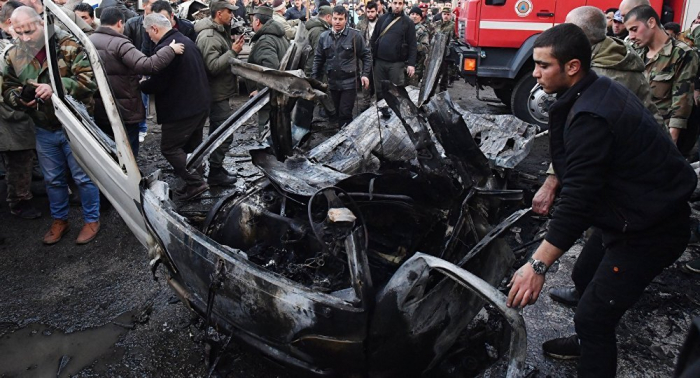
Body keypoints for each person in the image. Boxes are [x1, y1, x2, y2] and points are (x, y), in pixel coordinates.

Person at [506, 23, 696, 378]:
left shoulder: (592, 114)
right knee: (583, 271)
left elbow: (578, 199)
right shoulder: (596, 88)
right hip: (630, 211)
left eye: (544, 65)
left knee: (592, 317)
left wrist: (537, 266)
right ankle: (586, 340)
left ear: (573, 67)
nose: (535, 73)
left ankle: (591, 340)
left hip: (651, 229)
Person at [3, 6, 100, 244]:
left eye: (29, 31)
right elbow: (7, 87)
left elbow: (89, 81)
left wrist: (55, 88)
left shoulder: (67, 45)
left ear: (40, 23)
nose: (25, 37)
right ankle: (60, 219)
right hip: (43, 127)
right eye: (19, 32)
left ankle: (91, 219)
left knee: (84, 177)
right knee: (52, 179)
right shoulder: (13, 54)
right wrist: (19, 97)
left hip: (75, 125)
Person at [90, 7, 184, 158]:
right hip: (125, 109)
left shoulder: (89, 40)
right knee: (128, 153)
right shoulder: (120, 43)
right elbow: (148, 65)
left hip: (100, 108)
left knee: (108, 150)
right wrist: (170, 50)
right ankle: (131, 180)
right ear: (120, 23)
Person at [140, 13, 211, 200]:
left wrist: (141, 85)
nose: (149, 36)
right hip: (199, 103)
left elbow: (159, 83)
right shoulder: (185, 40)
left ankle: (196, 182)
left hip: (182, 109)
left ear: (154, 28)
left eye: (148, 32)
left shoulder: (167, 48)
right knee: (192, 147)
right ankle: (194, 181)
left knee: (170, 148)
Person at [624, 5, 698, 150]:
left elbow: (681, 102)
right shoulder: (634, 52)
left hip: (661, 132)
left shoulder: (682, 54)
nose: (631, 36)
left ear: (651, 23)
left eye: (634, 29)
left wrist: (671, 140)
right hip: (634, 128)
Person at [195, 0, 245, 187]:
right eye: (228, 12)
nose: (231, 15)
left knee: (219, 131)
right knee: (224, 133)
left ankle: (217, 167)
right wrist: (233, 51)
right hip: (215, 94)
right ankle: (215, 171)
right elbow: (213, 67)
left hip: (219, 92)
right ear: (218, 14)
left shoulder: (219, 31)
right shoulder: (209, 36)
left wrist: (232, 50)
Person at [0, 24, 40, 219]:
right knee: (18, 161)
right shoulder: (9, 52)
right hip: (11, 118)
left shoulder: (8, 48)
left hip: (16, 115)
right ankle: (19, 201)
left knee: (21, 160)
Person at [312, 5, 371, 127]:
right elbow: (318, 59)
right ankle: (338, 137)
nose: (337, 22)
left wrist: (365, 75)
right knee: (334, 114)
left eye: (340, 19)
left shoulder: (355, 36)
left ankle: (346, 140)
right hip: (332, 83)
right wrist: (314, 79)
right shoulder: (324, 37)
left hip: (349, 82)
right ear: (331, 18)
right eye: (335, 18)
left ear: (346, 20)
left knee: (345, 113)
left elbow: (366, 56)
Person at [247, 5, 290, 132]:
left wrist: (260, 91)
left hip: (268, 96)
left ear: (257, 21)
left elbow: (270, 70)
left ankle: (267, 150)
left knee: (266, 130)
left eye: (253, 20)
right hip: (280, 92)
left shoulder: (265, 40)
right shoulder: (279, 36)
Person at [369, 0, 416, 104]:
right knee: (380, 91)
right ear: (391, 3)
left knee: (396, 93)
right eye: (395, 3)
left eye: (400, 3)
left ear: (403, 5)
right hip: (379, 63)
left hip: (396, 64)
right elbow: (373, 39)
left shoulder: (408, 22)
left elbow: (413, 45)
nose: (397, 6)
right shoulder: (382, 19)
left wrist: (411, 64)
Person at [407, 6, 428, 87]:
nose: (414, 16)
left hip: (416, 67)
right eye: (412, 14)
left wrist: (413, 44)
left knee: (411, 90)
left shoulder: (422, 30)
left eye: (417, 14)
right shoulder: (404, 27)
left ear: (420, 17)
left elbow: (425, 48)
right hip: (402, 65)